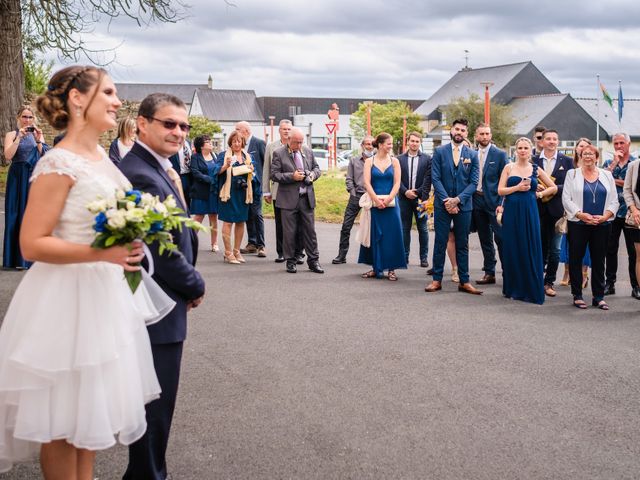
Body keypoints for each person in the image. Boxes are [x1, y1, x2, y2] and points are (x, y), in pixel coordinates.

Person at [0, 66, 163, 478]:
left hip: (104, 299)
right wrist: (101, 253)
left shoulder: (103, 160)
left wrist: (131, 239)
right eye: (108, 92)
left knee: (89, 425)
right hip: (63, 302)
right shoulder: (58, 162)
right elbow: (31, 243)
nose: (116, 101)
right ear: (77, 99)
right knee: (60, 427)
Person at [119, 92, 206, 479]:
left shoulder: (159, 167)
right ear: (142, 123)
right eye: (168, 124)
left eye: (184, 126)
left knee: (157, 409)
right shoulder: (141, 172)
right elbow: (162, 248)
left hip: (162, 303)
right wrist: (194, 283)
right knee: (154, 409)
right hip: (156, 307)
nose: (178, 132)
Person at [425, 118, 482, 295]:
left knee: (462, 244)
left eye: (463, 130)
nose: (459, 132)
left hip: (464, 206)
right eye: (457, 129)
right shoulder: (440, 152)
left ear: (466, 134)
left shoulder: (472, 155)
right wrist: (447, 201)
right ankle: (436, 280)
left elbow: (473, 183)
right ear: (451, 131)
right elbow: (435, 178)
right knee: (440, 242)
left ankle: (464, 281)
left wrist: (457, 200)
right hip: (443, 205)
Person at [499, 138, 556, 304]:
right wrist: (517, 188)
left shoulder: (536, 169)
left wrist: (539, 194)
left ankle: (530, 287)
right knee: (512, 247)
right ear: (516, 150)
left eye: (526, 148)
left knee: (529, 246)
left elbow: (553, 187)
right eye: (520, 148)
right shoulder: (508, 167)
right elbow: (500, 190)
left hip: (530, 211)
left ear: (531, 150)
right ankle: (513, 287)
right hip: (511, 211)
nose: (523, 150)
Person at [562, 145, 618, 309]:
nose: (587, 156)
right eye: (584, 153)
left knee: (599, 260)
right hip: (578, 223)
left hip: (602, 224)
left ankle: (598, 297)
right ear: (580, 156)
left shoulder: (607, 175)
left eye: (591, 154)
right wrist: (580, 214)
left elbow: (614, 200)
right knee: (576, 259)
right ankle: (577, 295)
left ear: (596, 157)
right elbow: (566, 199)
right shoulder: (572, 174)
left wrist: (605, 216)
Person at [270, 127, 324, 274]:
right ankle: (291, 261)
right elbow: (274, 175)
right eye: (296, 142)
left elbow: (317, 169)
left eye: (301, 142)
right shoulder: (278, 153)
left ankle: (313, 261)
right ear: (289, 140)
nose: (299, 146)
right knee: (289, 232)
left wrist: (312, 175)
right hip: (287, 199)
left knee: (310, 232)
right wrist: (291, 176)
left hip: (306, 198)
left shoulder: (308, 151)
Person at [2, 106, 47, 270]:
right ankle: (14, 259)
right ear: (18, 117)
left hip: (33, 178)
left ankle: (30, 258)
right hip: (16, 177)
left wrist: (39, 139)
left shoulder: (37, 134)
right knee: (14, 214)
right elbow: (8, 155)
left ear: (33, 118)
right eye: (24, 117)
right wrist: (18, 138)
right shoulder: (11, 134)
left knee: (31, 217)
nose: (27, 120)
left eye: (30, 117)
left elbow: (44, 156)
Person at [358, 132, 407, 280]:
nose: (391, 146)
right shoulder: (369, 162)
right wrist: (376, 200)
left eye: (391, 144)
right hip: (374, 203)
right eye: (389, 143)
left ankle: (391, 269)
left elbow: (397, 183)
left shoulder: (395, 161)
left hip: (391, 204)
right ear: (380, 145)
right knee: (375, 235)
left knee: (393, 235)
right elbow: (367, 182)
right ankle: (375, 267)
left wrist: (388, 199)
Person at [532, 129, 574, 297]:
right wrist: (536, 186)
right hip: (537, 209)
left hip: (557, 210)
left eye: (554, 139)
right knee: (539, 246)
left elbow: (570, 186)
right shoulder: (533, 160)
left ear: (558, 141)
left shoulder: (567, 161)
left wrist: (552, 190)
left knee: (555, 249)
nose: (551, 141)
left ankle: (549, 282)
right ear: (542, 141)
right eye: (547, 138)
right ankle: (537, 280)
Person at [602, 132, 638, 298]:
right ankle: (610, 283)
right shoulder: (609, 163)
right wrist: (614, 164)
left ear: (628, 144)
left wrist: (614, 180)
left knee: (633, 251)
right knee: (610, 249)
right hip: (612, 212)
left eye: (621, 143)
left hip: (631, 212)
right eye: (615, 143)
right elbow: (602, 180)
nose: (618, 146)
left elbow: (632, 186)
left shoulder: (635, 163)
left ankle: (635, 285)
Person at [263, 119, 303, 264]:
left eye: (288, 129)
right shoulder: (272, 146)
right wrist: (266, 191)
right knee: (280, 224)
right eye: (284, 129)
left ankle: (298, 253)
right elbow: (266, 169)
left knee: (299, 224)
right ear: (279, 130)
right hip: (278, 190)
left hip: (298, 191)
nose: (286, 131)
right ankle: (282, 252)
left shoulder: (300, 144)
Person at [472, 123, 508, 284]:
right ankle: (489, 272)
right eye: (482, 134)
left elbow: (505, 181)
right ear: (476, 136)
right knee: (484, 238)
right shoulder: (472, 154)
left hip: (495, 202)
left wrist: (502, 203)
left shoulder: (500, 154)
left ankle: (508, 272)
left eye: (487, 133)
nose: (485, 136)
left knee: (500, 238)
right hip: (477, 200)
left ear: (491, 135)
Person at [215, 130, 257, 264]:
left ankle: (236, 251)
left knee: (240, 221)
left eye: (239, 141)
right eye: (234, 142)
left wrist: (251, 170)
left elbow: (253, 176)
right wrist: (226, 165)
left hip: (243, 193)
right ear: (230, 143)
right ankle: (228, 252)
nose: (236, 144)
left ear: (243, 142)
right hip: (228, 193)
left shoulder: (248, 157)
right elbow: (216, 171)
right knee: (228, 222)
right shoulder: (224, 155)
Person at [332, 136, 374, 264]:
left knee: (372, 227)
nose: (370, 147)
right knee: (346, 226)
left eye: (372, 144)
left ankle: (372, 257)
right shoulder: (354, 160)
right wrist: (353, 192)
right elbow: (349, 178)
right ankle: (341, 255)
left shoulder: (376, 160)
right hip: (357, 196)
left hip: (372, 197)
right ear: (362, 145)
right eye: (367, 144)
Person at [560, 138, 593, 288]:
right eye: (581, 146)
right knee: (568, 244)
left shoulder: (593, 166)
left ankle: (584, 275)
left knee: (585, 246)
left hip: (588, 210)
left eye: (587, 147)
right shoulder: (569, 165)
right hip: (570, 210)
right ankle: (567, 273)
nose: (583, 149)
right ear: (576, 149)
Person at [397, 131, 431, 267]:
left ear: (420, 143)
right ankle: (404, 256)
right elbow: (397, 179)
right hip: (404, 198)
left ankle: (423, 257)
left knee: (423, 228)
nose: (414, 143)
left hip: (421, 199)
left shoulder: (427, 159)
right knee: (405, 228)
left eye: (417, 141)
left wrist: (417, 192)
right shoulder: (399, 159)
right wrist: (405, 192)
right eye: (412, 141)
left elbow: (428, 179)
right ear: (408, 142)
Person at [236, 121, 267, 257]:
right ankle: (252, 243)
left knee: (257, 214)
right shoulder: (239, 145)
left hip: (256, 185)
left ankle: (261, 245)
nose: (235, 131)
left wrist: (266, 185)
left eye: (238, 129)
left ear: (246, 131)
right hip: (244, 186)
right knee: (248, 214)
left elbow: (266, 164)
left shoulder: (259, 143)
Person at [190, 134, 219, 252]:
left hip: (213, 192)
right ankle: (190, 241)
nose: (211, 143)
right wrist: (210, 180)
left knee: (214, 217)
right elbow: (195, 173)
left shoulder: (215, 156)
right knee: (199, 217)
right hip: (201, 191)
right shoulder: (195, 157)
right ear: (201, 146)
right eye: (208, 141)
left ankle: (214, 243)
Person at [622, 155, 640, 299]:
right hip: (637, 217)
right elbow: (627, 190)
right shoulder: (633, 165)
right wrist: (633, 209)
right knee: (639, 257)